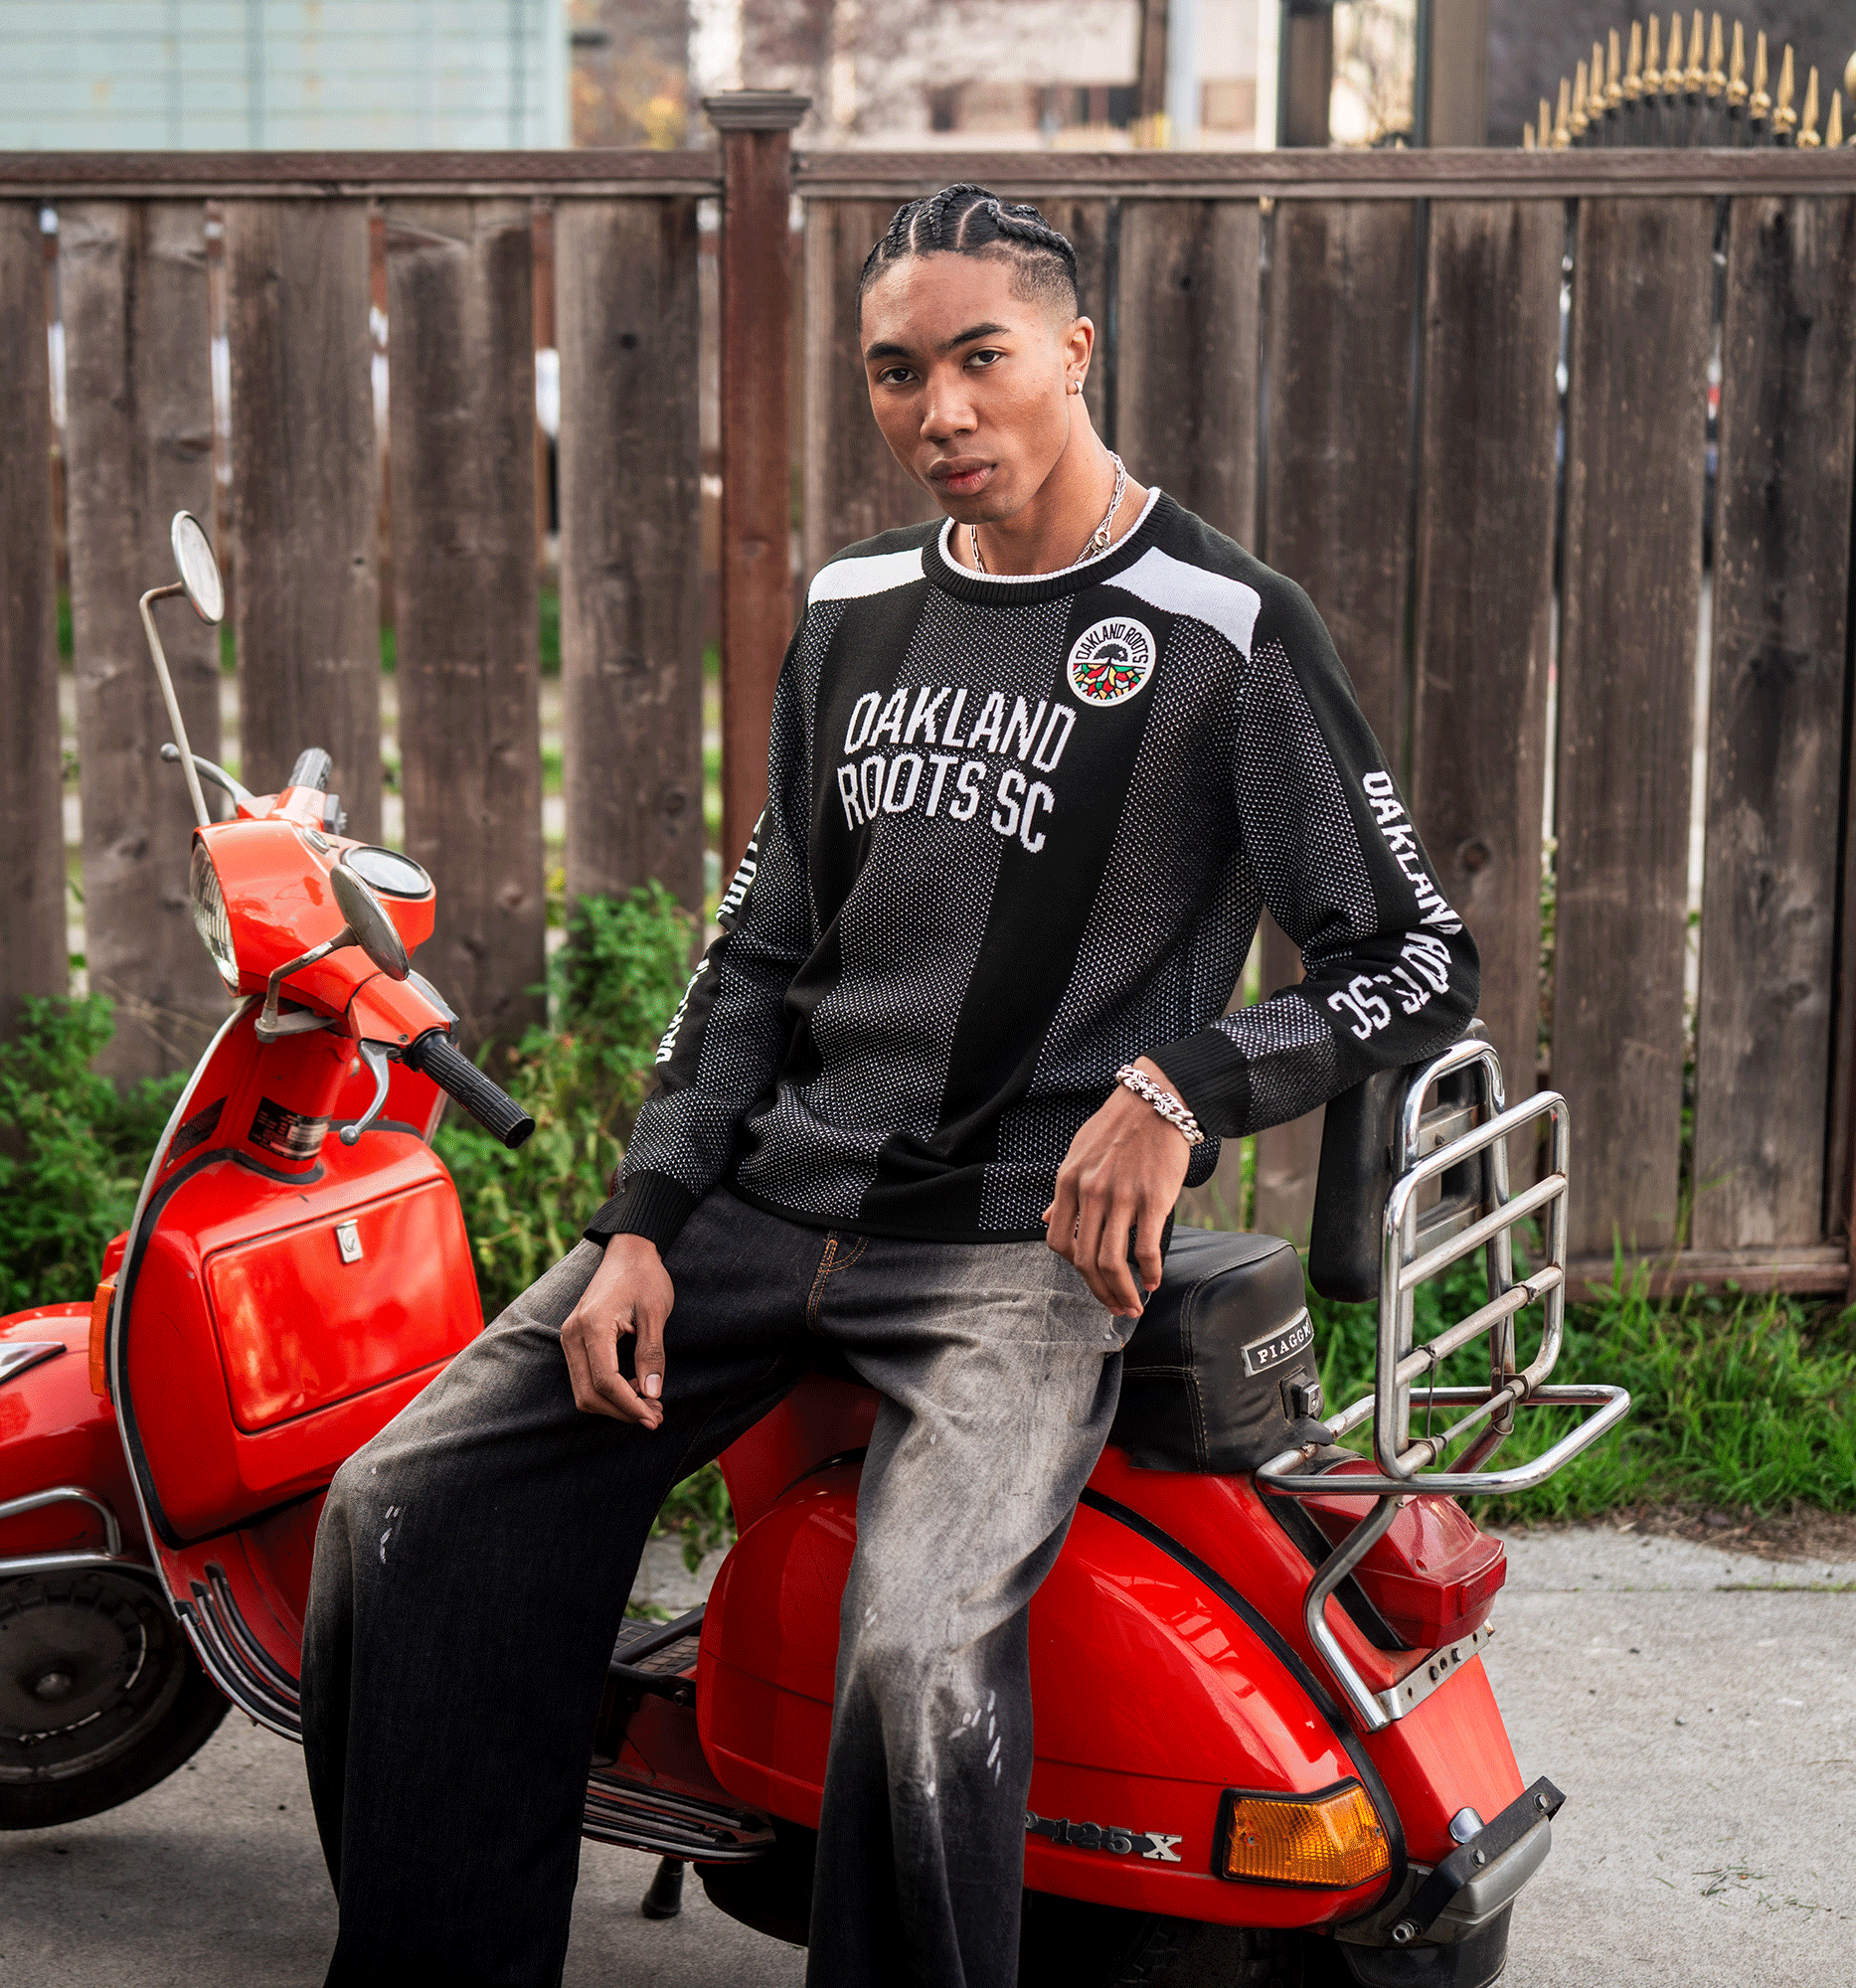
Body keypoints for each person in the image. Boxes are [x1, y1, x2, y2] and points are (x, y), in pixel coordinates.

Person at [301, 182, 1477, 1988]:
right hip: (766, 1215)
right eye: (895, 373)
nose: (940, 413)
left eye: (981, 361)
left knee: (917, 1662)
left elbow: (1415, 955)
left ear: (1074, 353)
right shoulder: (851, 614)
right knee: (403, 1505)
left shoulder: (1226, 632)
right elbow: (757, 950)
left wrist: (1184, 1086)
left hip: (1013, 1262)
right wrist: (643, 1227)